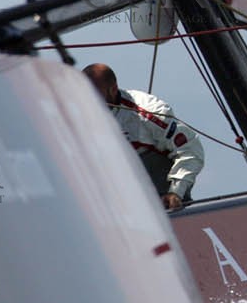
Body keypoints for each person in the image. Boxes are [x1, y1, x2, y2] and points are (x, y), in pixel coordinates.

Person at [83, 63, 204, 211]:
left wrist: (176, 192)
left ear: (113, 89)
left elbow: (190, 149)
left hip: (163, 200)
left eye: (95, 94)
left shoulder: (148, 112)